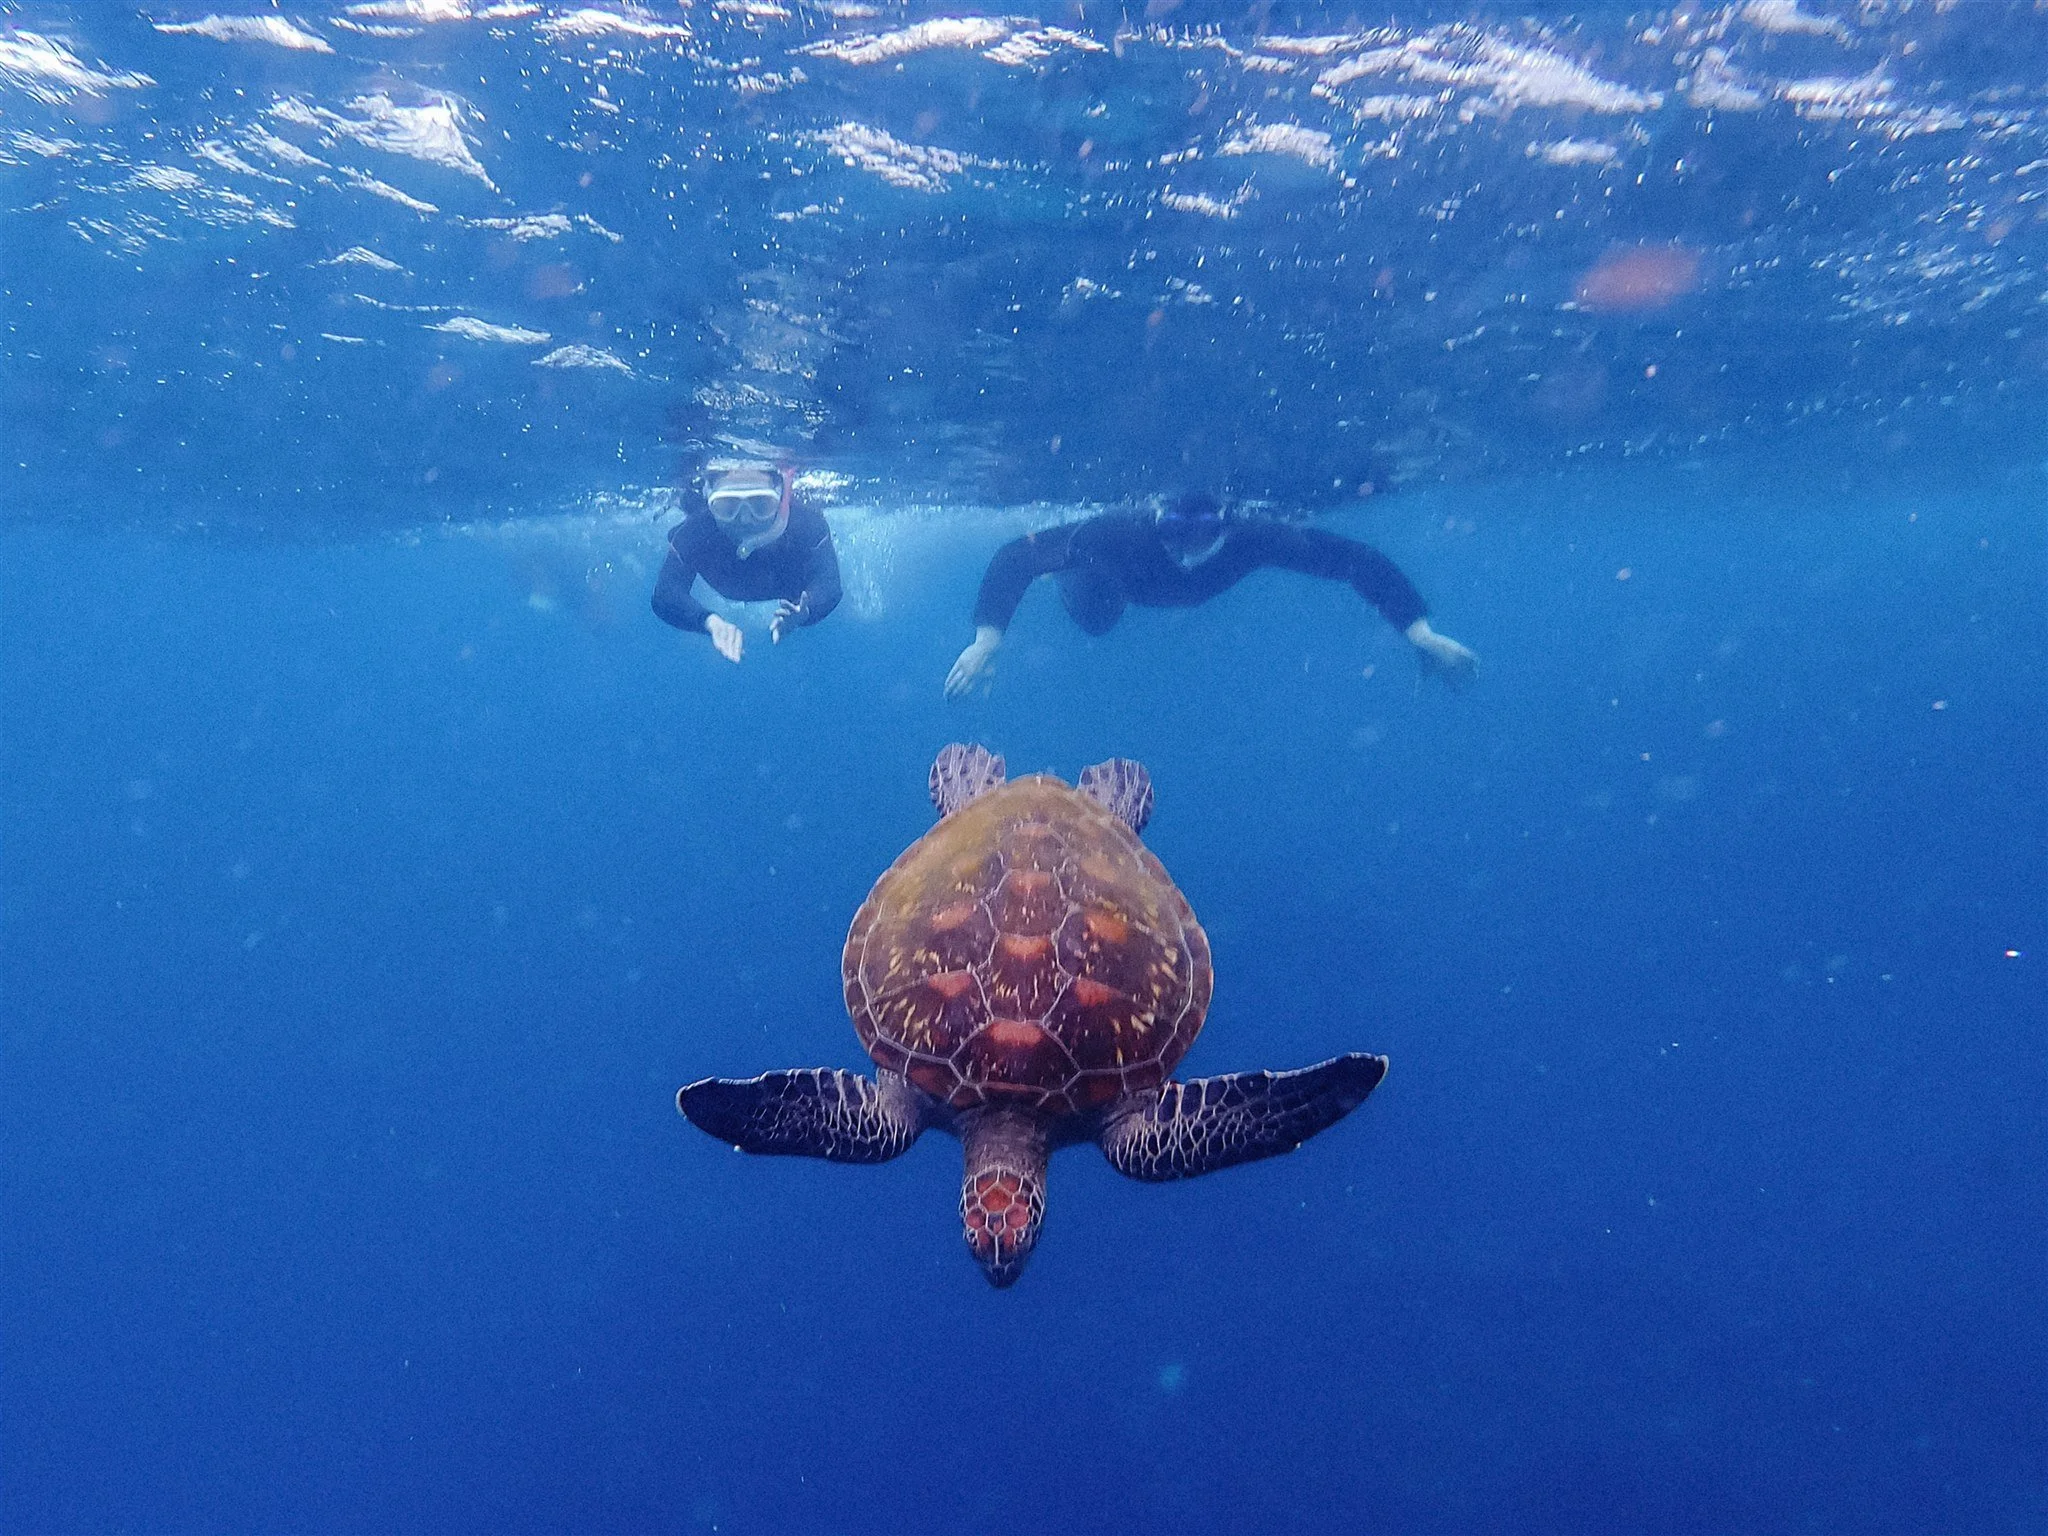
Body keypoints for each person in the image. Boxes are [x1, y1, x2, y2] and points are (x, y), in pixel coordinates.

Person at [944, 493, 1476, 697]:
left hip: (1146, 585)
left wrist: (1420, 633)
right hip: (1101, 583)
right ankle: (1062, 577)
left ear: (1226, 528)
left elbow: (1351, 560)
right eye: (1174, 535)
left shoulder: (1253, 537)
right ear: (1156, 523)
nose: (1186, 552)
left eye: (1203, 538)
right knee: (1097, 622)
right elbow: (1018, 555)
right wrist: (988, 640)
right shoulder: (1117, 533)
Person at [652, 464, 843, 663]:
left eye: (760, 504)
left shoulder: (807, 525)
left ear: (779, 496)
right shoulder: (695, 532)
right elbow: (665, 594)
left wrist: (807, 610)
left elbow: (830, 586)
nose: (744, 519)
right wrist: (710, 622)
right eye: (728, 507)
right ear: (709, 499)